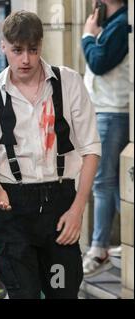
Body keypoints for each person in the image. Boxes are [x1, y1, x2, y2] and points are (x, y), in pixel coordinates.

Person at [0, 11, 101, 299]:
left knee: (62, 293)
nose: (25, 59)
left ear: (41, 45)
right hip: (12, 209)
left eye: (32, 49)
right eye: (17, 51)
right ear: (3, 46)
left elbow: (91, 149)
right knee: (24, 294)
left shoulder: (68, 83)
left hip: (61, 205)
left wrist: (78, 209)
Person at [81, 0, 130, 277]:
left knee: (102, 182)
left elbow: (99, 63)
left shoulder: (122, 24)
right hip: (105, 109)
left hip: (113, 111)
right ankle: (125, 238)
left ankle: (99, 249)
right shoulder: (111, 22)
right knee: (112, 184)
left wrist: (88, 36)